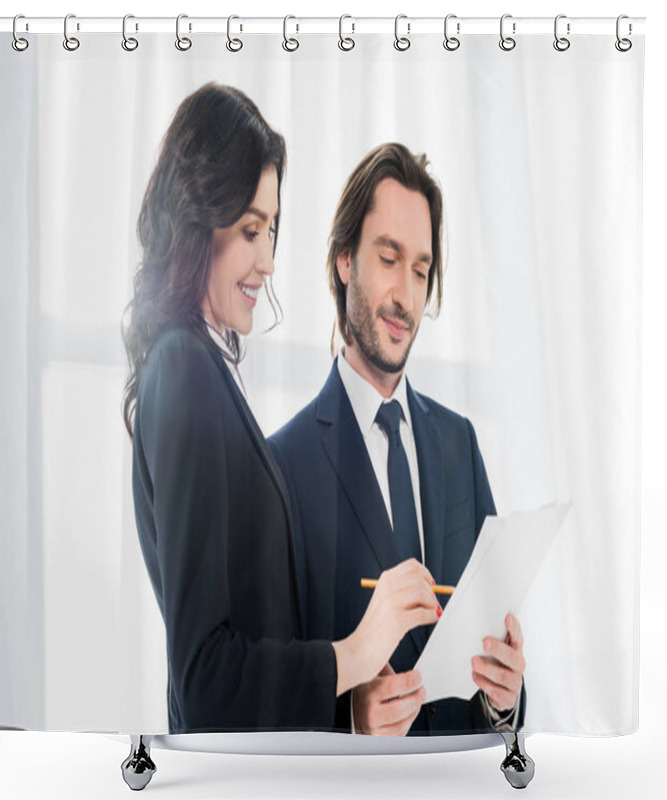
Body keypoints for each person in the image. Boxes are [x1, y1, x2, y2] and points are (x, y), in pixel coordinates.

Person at [122, 86, 439, 734]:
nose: (267, 262)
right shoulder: (182, 370)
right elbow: (206, 678)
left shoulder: (197, 367)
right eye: (247, 231)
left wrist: (349, 704)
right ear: (194, 221)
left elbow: (247, 642)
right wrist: (354, 652)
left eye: (271, 229)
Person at [269, 143, 526, 736]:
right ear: (344, 261)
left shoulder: (460, 446)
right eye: (389, 259)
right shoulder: (283, 466)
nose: (407, 297)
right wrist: (351, 720)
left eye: (420, 269)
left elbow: (493, 674)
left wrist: (506, 695)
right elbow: (269, 691)